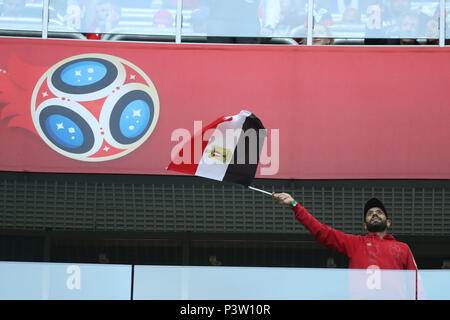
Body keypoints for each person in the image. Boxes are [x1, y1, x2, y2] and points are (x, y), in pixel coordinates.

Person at [272, 193, 418, 270]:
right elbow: (322, 231)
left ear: (388, 222)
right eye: (370, 213)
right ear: (365, 226)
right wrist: (294, 204)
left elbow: (416, 285)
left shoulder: (403, 248)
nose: (374, 214)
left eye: (379, 212)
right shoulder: (356, 244)